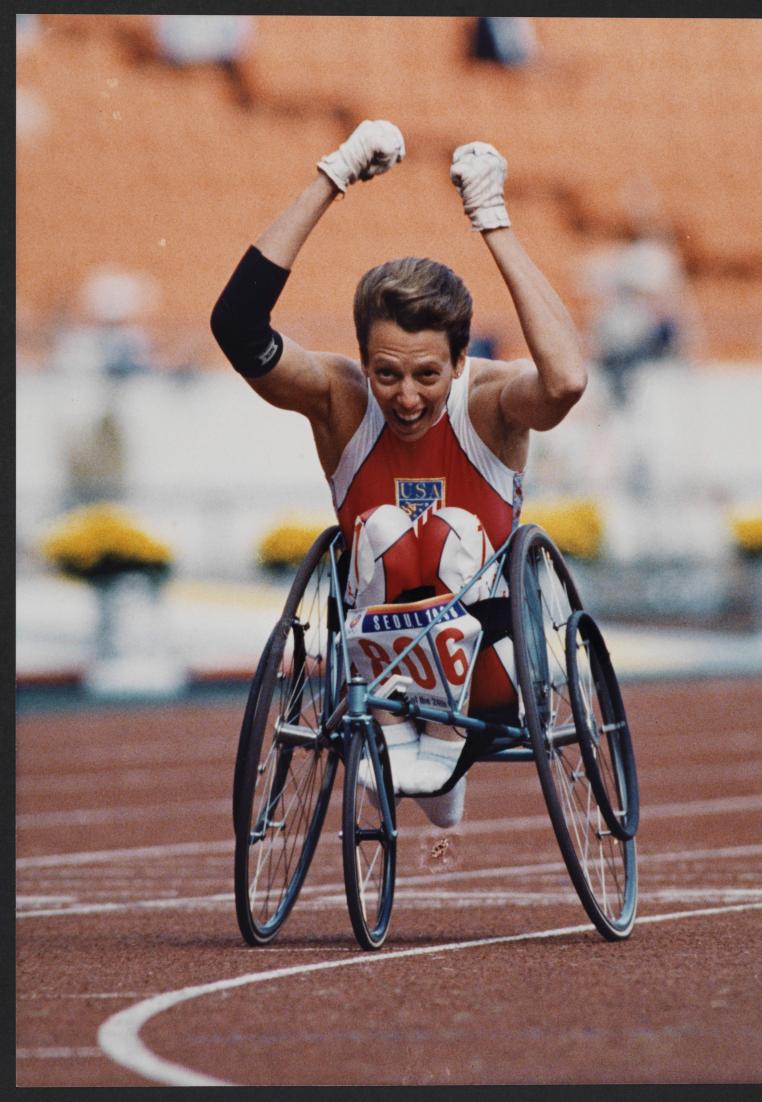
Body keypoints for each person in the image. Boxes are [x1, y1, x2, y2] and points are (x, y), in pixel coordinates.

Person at [211, 119, 586, 827]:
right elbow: (236, 326)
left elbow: (565, 380)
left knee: (448, 530)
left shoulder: (490, 403)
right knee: (384, 527)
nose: (406, 398)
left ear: (459, 362)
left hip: (489, 669)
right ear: (363, 359)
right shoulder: (341, 399)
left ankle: (440, 742)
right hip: (370, 675)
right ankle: (400, 737)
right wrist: (332, 175)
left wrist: (493, 220)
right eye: (386, 373)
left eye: (426, 376)